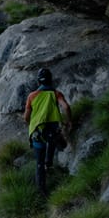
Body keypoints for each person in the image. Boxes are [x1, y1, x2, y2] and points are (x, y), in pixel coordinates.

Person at [24, 68, 74, 196]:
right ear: (51, 80)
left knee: (38, 162)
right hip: (52, 130)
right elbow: (66, 107)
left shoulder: (32, 96)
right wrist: (69, 121)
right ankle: (50, 163)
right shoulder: (56, 94)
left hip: (37, 131)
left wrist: (32, 123)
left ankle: (42, 191)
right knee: (53, 140)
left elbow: (26, 117)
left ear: (38, 81)